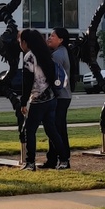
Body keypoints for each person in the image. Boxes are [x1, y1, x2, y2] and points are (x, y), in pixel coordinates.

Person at [17, 27, 63, 172]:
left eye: (20, 41)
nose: (19, 43)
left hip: (38, 99)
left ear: (25, 42)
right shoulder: (45, 54)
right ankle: (64, 160)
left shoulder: (29, 57)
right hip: (51, 98)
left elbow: (28, 82)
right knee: (52, 131)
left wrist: (23, 102)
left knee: (29, 131)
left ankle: (30, 163)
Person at [43, 26, 73, 169]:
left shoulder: (57, 56)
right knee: (56, 128)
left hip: (60, 97)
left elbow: (55, 78)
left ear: (61, 40)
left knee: (57, 129)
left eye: (53, 36)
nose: (49, 37)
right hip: (63, 96)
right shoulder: (61, 52)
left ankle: (63, 159)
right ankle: (54, 159)